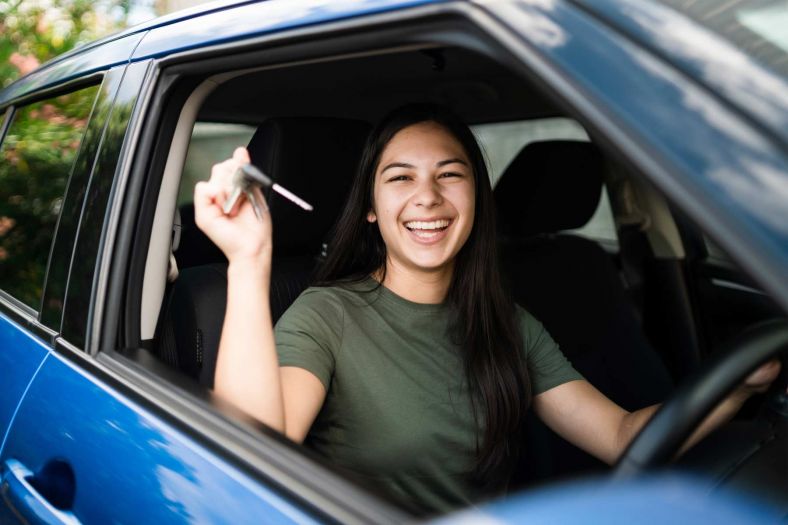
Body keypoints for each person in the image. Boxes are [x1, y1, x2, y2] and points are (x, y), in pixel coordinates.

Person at [193, 104, 781, 515]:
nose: (428, 196)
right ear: (370, 208)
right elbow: (252, 449)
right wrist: (248, 262)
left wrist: (737, 387)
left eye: (451, 175)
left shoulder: (507, 323)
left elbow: (621, 435)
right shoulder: (327, 315)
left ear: (477, 200)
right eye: (400, 178)